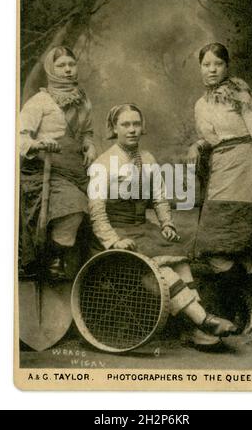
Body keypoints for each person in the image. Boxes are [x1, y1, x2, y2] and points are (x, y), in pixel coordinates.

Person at [87, 103, 236, 350]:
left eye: (136, 124)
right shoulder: (103, 163)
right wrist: (114, 241)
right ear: (114, 128)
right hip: (116, 234)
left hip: (142, 228)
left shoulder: (147, 159)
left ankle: (195, 327)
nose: (132, 130)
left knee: (181, 260)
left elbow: (159, 197)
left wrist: (166, 223)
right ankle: (203, 320)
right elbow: (97, 212)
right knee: (162, 271)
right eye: (125, 124)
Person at [187, 42, 252, 332]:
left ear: (227, 66)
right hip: (219, 171)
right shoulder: (201, 104)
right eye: (206, 65)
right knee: (212, 246)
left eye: (217, 64)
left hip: (245, 167)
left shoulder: (242, 96)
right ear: (200, 68)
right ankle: (245, 300)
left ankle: (247, 307)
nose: (212, 70)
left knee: (234, 243)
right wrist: (199, 145)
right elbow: (212, 138)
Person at [20, 46, 97, 280]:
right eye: (61, 66)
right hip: (47, 170)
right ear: (50, 70)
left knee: (99, 208)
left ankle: (90, 271)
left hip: (77, 169)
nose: (67, 70)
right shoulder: (40, 101)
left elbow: (87, 133)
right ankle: (51, 258)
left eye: (71, 65)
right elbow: (18, 136)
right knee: (74, 207)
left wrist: (89, 145)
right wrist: (40, 142)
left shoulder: (83, 101)